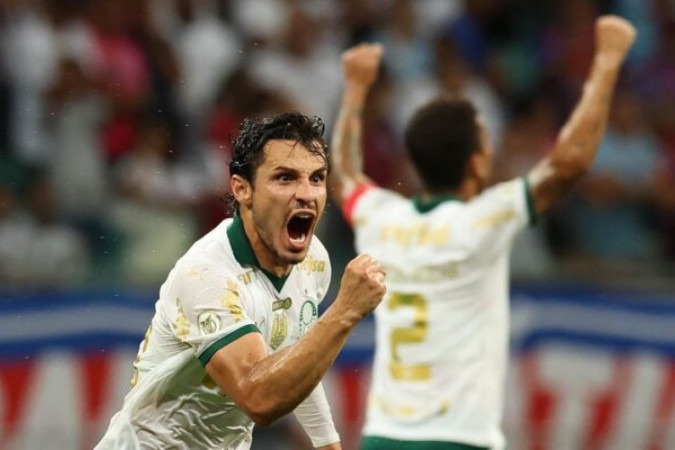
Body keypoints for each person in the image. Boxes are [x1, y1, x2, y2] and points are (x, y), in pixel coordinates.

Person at [329, 16, 636, 450]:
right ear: (476, 163)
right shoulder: (485, 222)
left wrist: (355, 89)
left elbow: (342, 175)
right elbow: (568, 164)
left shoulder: (381, 218)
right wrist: (606, 63)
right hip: (460, 437)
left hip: (385, 437)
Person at [95, 111, 387, 449]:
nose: (307, 193)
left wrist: (328, 444)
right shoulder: (206, 275)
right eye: (285, 178)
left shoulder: (314, 262)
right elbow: (258, 398)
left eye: (317, 178)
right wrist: (345, 311)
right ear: (242, 188)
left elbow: (297, 360)